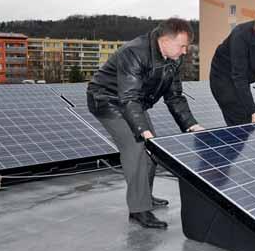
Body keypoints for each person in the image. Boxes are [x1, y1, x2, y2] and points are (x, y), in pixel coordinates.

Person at [87, 18, 204, 229]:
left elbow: (175, 96)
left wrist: (191, 124)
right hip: (108, 101)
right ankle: (139, 210)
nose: (185, 51)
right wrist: (143, 131)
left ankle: (145, 197)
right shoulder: (134, 53)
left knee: (153, 152)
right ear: (164, 40)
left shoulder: (173, 58)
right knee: (137, 148)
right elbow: (128, 98)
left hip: (133, 103)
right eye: (182, 46)